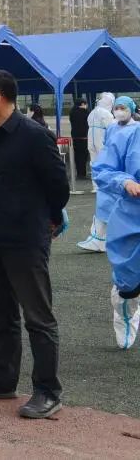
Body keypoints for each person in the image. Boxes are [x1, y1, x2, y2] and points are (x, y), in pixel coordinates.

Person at [0, 69, 69, 420]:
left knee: (38, 317)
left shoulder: (34, 135)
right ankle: (2, 379)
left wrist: (49, 217)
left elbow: (58, 185)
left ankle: (48, 390)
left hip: (25, 238)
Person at [92, 111, 140, 349]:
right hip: (133, 218)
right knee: (128, 284)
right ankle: (126, 312)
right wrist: (125, 181)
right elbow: (103, 170)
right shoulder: (129, 136)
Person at [81, 97, 139, 254]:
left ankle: (104, 239)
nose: (119, 111)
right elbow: (107, 149)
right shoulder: (112, 127)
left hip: (126, 177)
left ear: (131, 109)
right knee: (104, 205)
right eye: (117, 108)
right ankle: (98, 239)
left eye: (123, 108)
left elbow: (134, 157)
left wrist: (126, 179)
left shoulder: (136, 129)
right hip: (110, 174)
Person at [87, 93, 116, 194]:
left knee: (93, 162)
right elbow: (111, 127)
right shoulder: (106, 113)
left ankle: (95, 186)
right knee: (105, 162)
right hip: (101, 138)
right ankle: (105, 185)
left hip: (91, 138)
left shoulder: (92, 112)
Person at [69, 98, 90, 181]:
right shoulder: (85, 112)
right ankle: (83, 173)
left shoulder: (72, 112)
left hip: (75, 136)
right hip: (84, 137)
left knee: (77, 155)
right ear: (82, 104)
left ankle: (79, 173)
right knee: (84, 156)